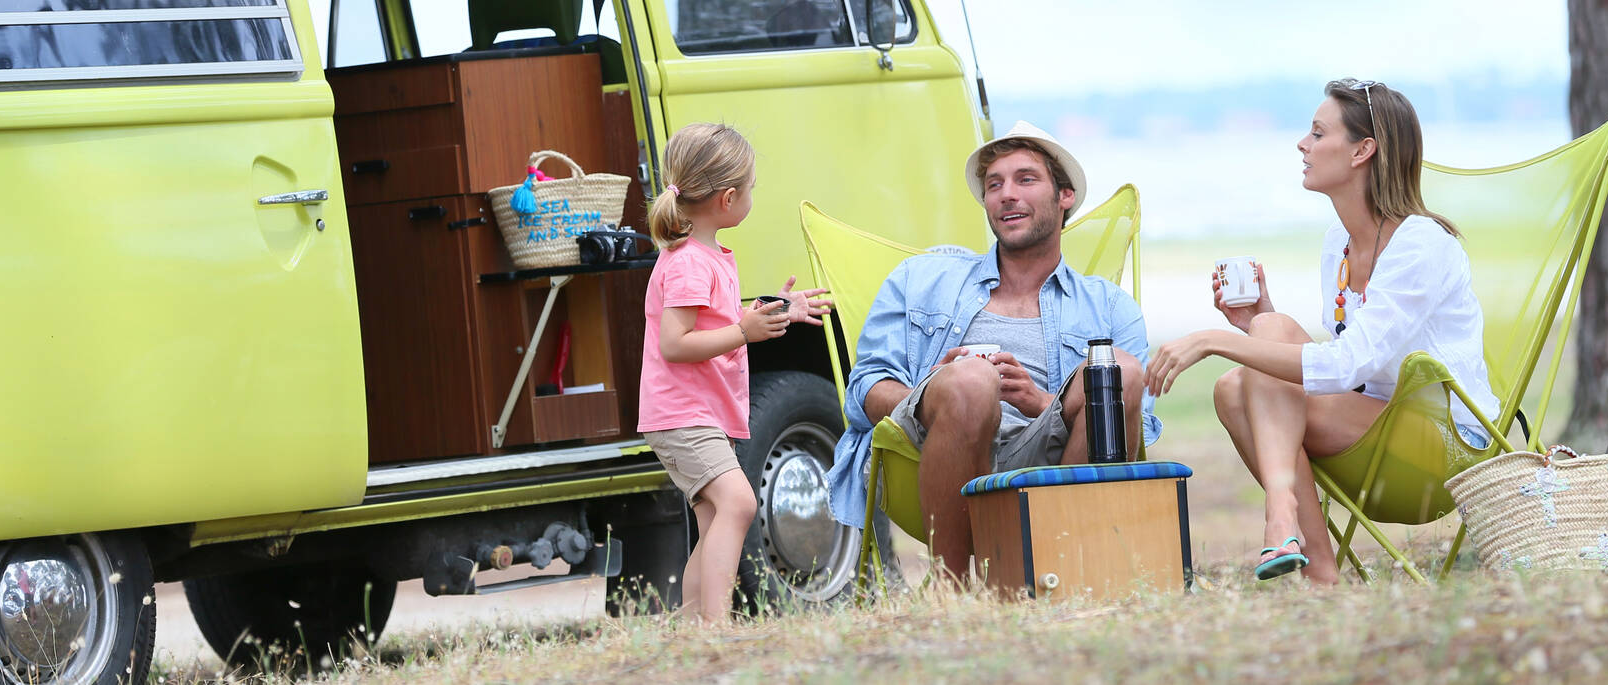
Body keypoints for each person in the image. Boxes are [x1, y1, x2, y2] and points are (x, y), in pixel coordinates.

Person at [1143, 79, 1500, 584]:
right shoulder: (1340, 242)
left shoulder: (1422, 244)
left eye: (1316, 132)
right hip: (1374, 428)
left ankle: (1281, 513)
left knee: (1241, 368)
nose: (1301, 144)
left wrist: (1215, 340)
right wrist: (1256, 326)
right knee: (1237, 379)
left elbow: (1345, 367)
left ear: (1363, 150)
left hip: (1444, 448)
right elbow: (1350, 366)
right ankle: (1321, 574)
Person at [826, 121, 1160, 580]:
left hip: (1056, 454)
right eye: (993, 185)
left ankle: (1066, 569)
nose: (1006, 194)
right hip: (932, 451)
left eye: (1025, 179)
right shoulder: (921, 279)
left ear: (1064, 196)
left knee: (1117, 371)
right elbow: (862, 391)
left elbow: (1142, 425)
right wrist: (936, 394)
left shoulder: (1107, 305)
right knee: (971, 380)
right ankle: (954, 586)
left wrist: (1042, 402)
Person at [638, 122, 831, 622]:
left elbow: (721, 321)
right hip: (682, 415)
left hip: (701, 413)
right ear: (728, 198)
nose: (752, 197)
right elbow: (675, 344)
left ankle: (694, 625)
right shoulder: (686, 263)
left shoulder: (710, 256)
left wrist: (780, 309)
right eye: (751, 189)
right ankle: (716, 626)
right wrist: (745, 332)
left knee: (715, 520)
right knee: (740, 504)